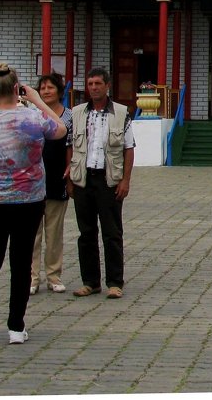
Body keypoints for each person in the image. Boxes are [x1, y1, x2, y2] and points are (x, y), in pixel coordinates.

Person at [0, 62, 67, 346]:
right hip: (28, 199)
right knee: (21, 263)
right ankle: (16, 327)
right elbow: (60, 129)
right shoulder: (31, 118)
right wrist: (35, 99)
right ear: (15, 89)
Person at [67, 67, 135, 299]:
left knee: (112, 232)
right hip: (83, 179)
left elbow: (128, 148)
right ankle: (90, 281)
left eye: (98, 83)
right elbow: (71, 147)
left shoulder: (121, 113)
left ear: (107, 86)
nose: (94, 88)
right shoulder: (77, 113)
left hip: (109, 179)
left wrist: (125, 179)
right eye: (90, 84)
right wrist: (70, 179)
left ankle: (115, 282)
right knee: (86, 232)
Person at [30, 72, 73, 295]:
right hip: (32, 182)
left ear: (59, 91)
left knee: (54, 232)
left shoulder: (69, 117)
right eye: (43, 88)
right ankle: (32, 277)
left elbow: (71, 146)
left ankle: (54, 276)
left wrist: (70, 171)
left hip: (57, 179)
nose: (46, 91)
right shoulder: (30, 115)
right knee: (32, 233)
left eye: (51, 87)